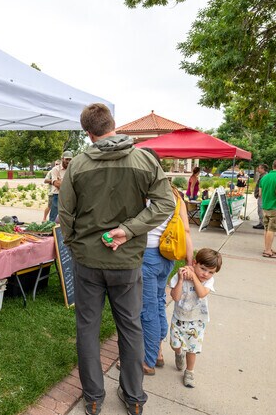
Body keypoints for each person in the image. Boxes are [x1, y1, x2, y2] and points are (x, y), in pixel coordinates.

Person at [59, 103, 175, 415]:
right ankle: (134, 397)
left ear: (88, 132)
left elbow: (65, 214)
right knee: (130, 326)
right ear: (113, 124)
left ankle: (94, 397)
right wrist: (129, 230)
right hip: (126, 262)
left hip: (89, 261)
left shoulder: (79, 164)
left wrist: (74, 244)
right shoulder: (143, 160)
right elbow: (166, 204)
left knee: (87, 327)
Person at [138, 149, 194, 377]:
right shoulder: (174, 193)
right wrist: (190, 262)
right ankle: (158, 352)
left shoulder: (145, 192)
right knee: (159, 302)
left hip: (148, 256)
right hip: (168, 256)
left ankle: (148, 360)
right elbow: (187, 230)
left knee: (147, 309)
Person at [169, 248, 222, 388]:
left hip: (197, 321)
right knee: (175, 345)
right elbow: (175, 297)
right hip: (179, 318)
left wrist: (194, 277)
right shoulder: (182, 275)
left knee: (192, 349)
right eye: (203, 269)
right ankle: (179, 353)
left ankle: (189, 372)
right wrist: (181, 279)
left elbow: (202, 293)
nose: (206, 274)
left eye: (211, 272)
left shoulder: (208, 282)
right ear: (194, 263)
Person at [49, 152, 72, 222]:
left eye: (70, 159)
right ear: (62, 159)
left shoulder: (72, 169)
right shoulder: (56, 169)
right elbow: (56, 183)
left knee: (67, 217)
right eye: (66, 159)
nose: (68, 161)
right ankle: (51, 231)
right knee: (53, 217)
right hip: (57, 196)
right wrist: (69, 184)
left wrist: (61, 183)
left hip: (69, 196)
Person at [252, 164, 268, 229]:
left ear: (263, 169)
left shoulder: (264, 176)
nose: (258, 169)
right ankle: (262, 222)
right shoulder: (263, 175)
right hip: (262, 195)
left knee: (261, 209)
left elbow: (263, 186)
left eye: (259, 168)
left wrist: (260, 194)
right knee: (260, 209)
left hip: (262, 195)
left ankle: (262, 224)